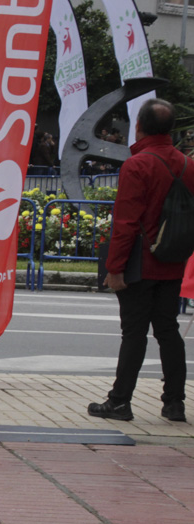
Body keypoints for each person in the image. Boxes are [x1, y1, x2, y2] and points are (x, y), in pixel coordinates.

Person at [89, 98, 188, 423]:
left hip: (139, 262)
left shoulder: (138, 165)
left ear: (140, 126)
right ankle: (174, 404)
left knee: (133, 332)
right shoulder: (188, 166)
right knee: (168, 329)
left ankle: (120, 402)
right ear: (171, 129)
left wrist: (114, 268)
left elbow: (126, 222)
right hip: (173, 260)